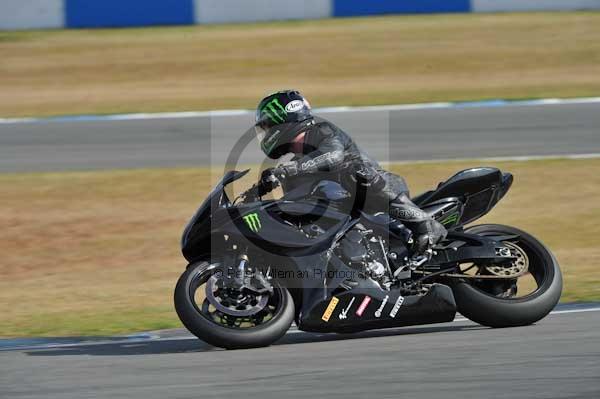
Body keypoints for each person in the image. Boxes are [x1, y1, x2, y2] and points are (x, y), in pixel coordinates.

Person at [253, 90, 447, 256]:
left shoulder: (322, 131)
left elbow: (333, 156)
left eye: (268, 126)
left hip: (378, 192)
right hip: (350, 218)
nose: (266, 133)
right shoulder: (296, 164)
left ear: (283, 121)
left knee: (353, 171)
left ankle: (424, 224)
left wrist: (288, 170)